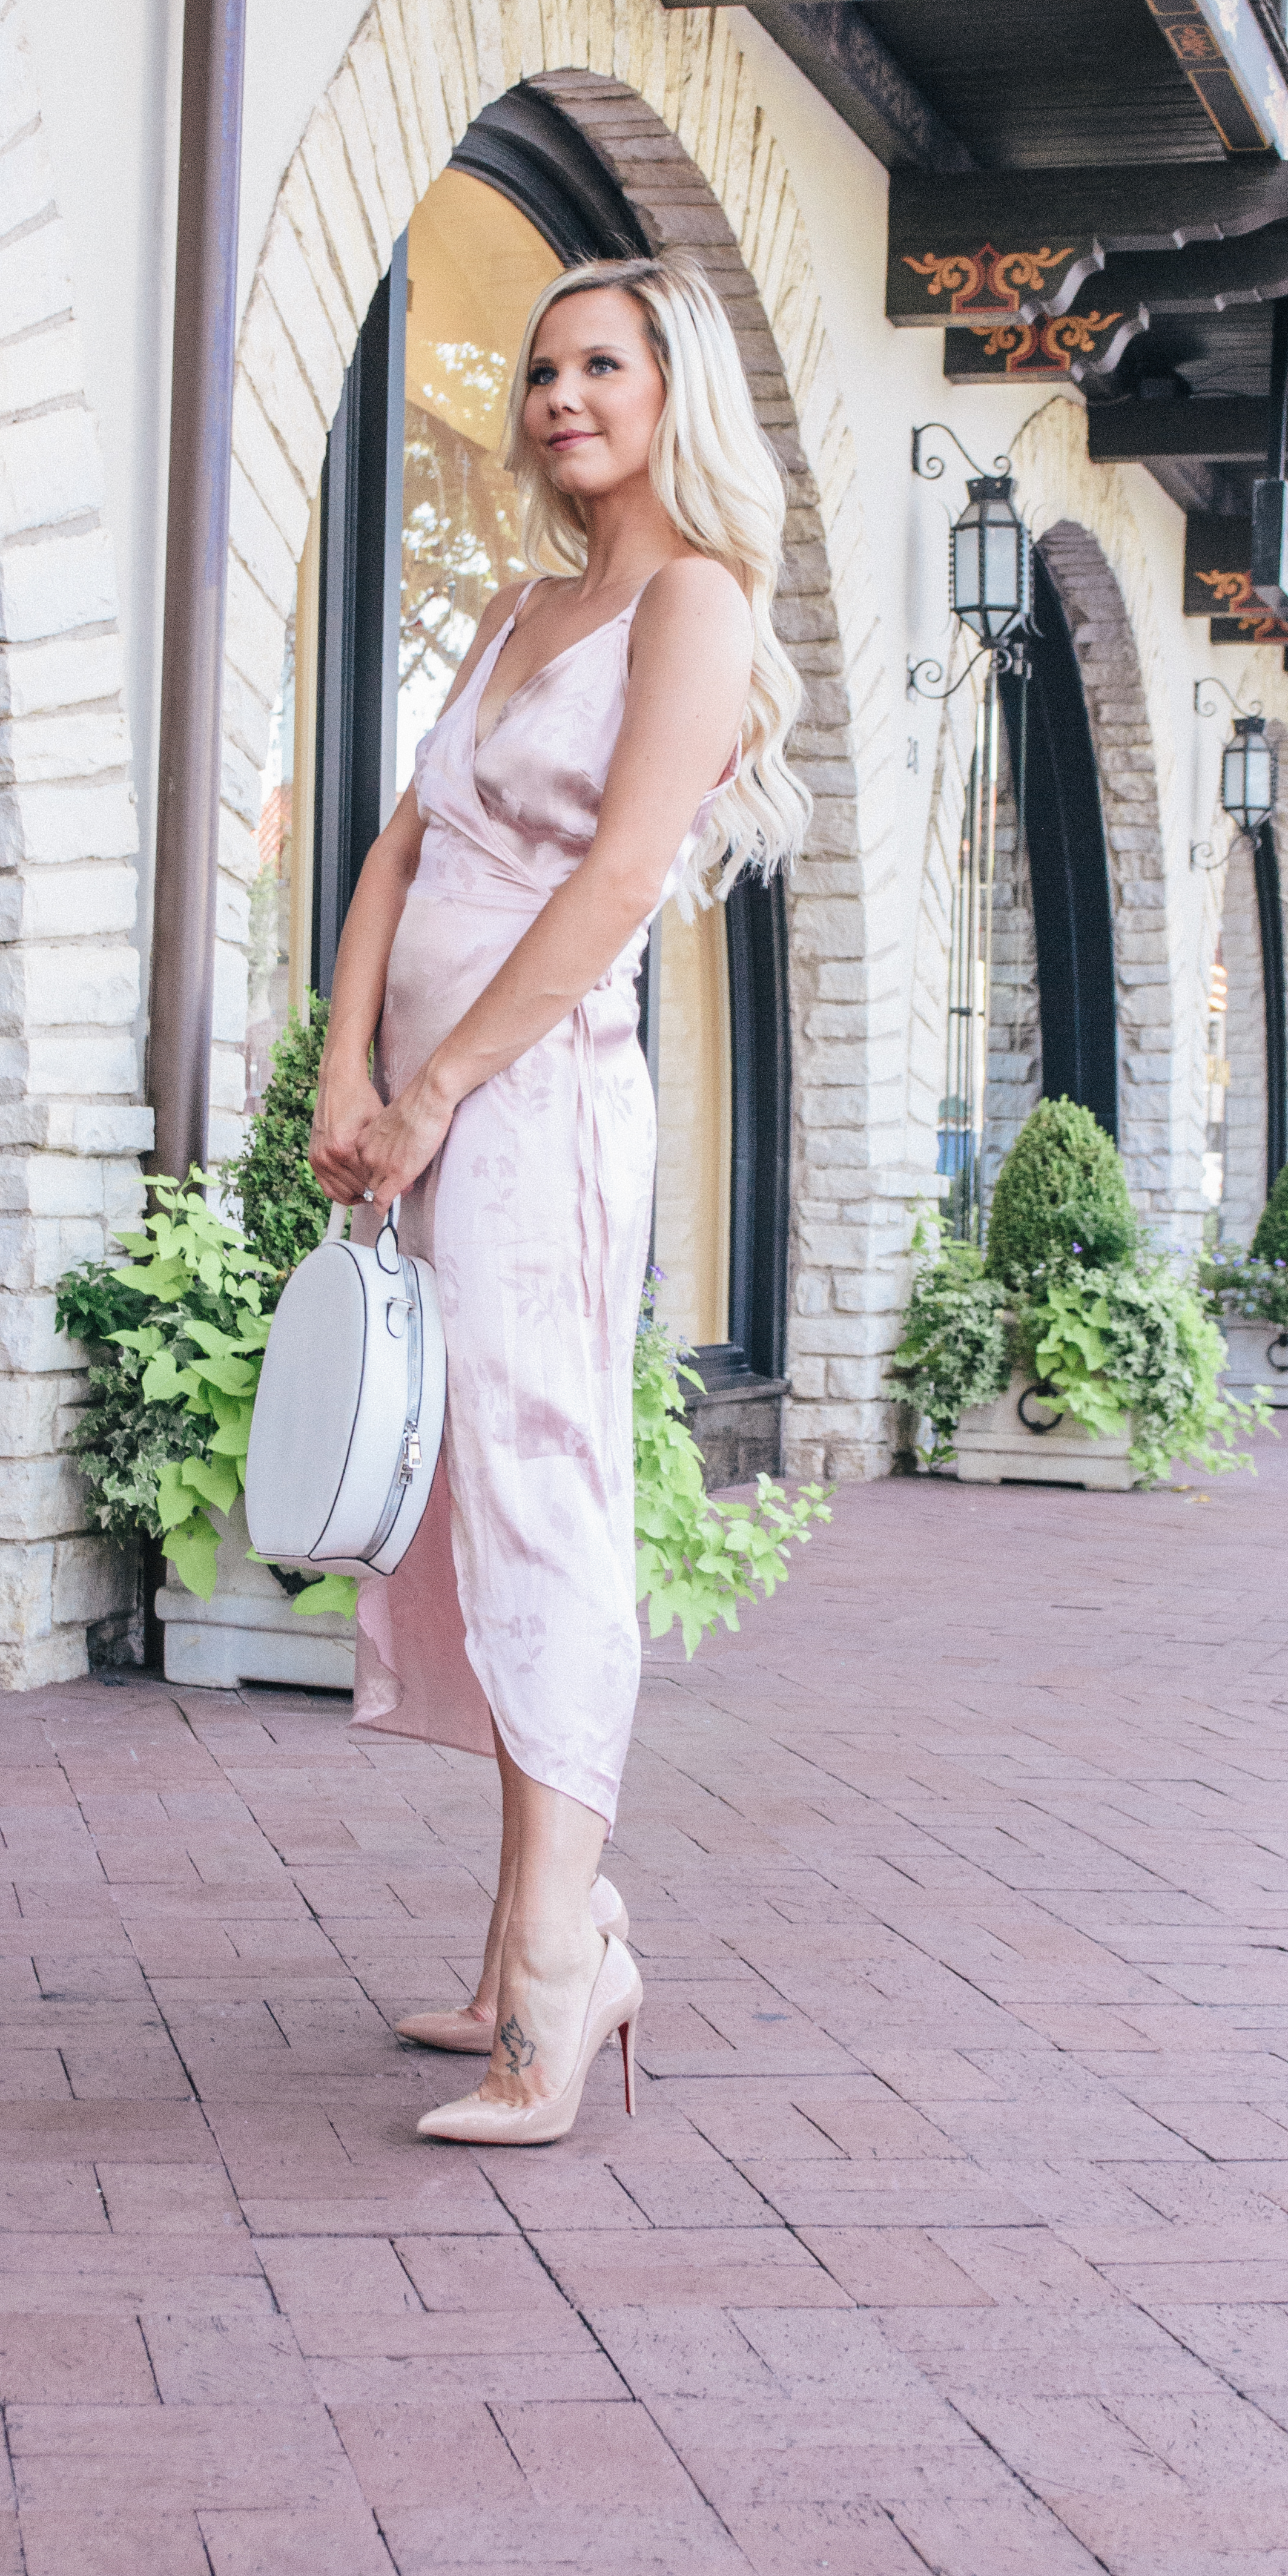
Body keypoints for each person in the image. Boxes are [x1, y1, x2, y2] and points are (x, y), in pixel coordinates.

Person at [309, 252, 808, 2145]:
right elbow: (402, 841)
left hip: (538, 1122)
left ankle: (550, 1991)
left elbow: (609, 896)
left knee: (542, 1505)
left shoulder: (693, 601)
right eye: (537, 372)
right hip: (434, 1117)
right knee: (467, 1501)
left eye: (602, 364)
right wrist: (350, 1071)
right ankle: (562, 1927)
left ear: (675, 391)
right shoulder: (524, 605)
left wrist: (434, 1085)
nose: (561, 397)